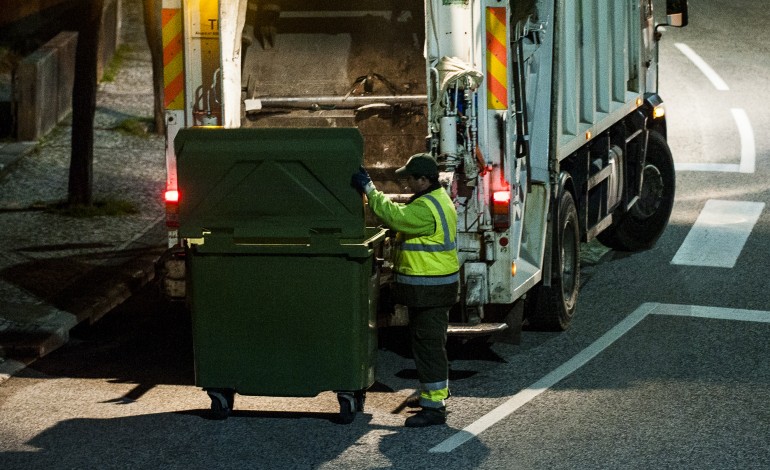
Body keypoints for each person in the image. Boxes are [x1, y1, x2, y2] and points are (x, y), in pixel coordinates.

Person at [351, 153, 459, 428]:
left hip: (430, 288)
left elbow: (396, 217)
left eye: (410, 178)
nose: (406, 183)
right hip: (433, 287)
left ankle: (434, 407)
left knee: (429, 346)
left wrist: (369, 189)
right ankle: (432, 394)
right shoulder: (437, 199)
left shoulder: (425, 208)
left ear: (423, 179)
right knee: (428, 343)